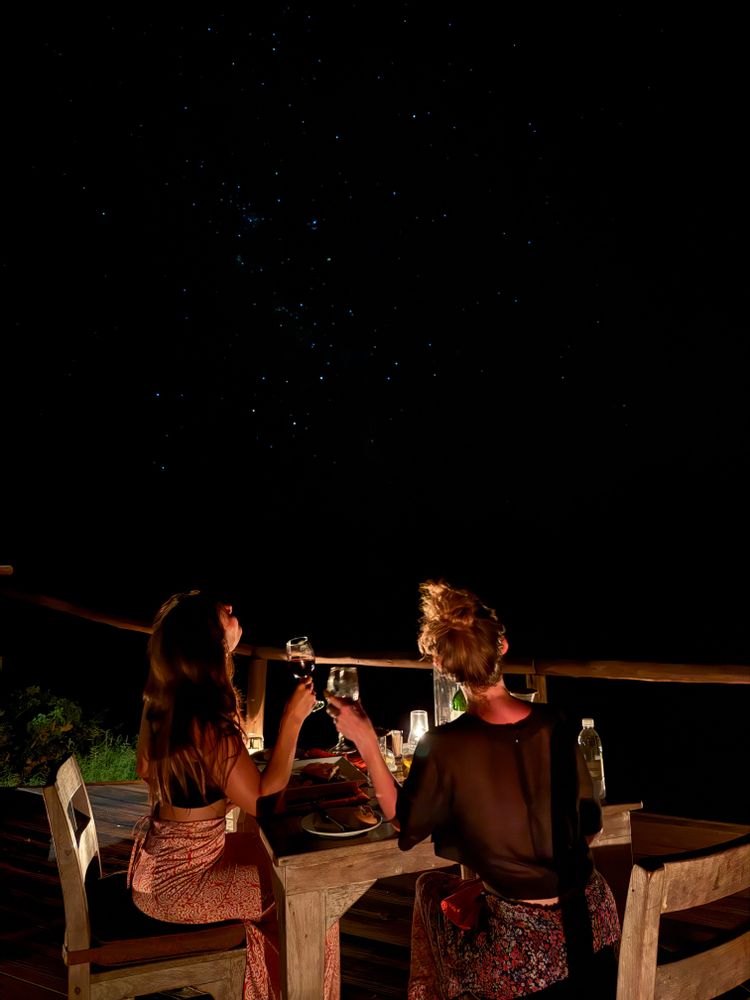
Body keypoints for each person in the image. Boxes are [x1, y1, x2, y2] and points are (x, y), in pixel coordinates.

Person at [327, 580, 620, 999]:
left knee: (431, 890)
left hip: (524, 953)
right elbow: (589, 824)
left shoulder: (444, 745)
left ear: (443, 667)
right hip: (595, 922)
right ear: (502, 647)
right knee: (467, 895)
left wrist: (367, 742)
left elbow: (404, 826)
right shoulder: (556, 721)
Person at [128, 589, 340, 1000]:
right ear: (205, 638)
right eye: (219, 611)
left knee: (296, 877)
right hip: (181, 885)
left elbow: (207, 776)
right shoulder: (205, 717)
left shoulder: (171, 699)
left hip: (159, 867)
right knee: (313, 897)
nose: (229, 605)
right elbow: (264, 803)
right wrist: (292, 722)